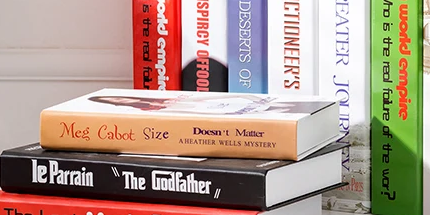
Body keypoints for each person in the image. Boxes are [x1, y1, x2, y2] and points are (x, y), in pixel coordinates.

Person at [86, 93, 286, 115]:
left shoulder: (158, 98)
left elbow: (199, 99)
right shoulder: (149, 109)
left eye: (117, 97)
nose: (121, 100)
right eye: (115, 102)